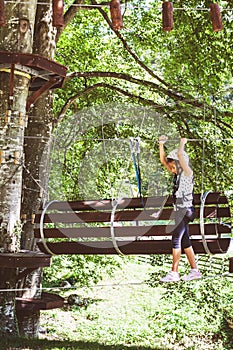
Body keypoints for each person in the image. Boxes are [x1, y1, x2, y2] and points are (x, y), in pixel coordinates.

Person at [158, 135, 201, 282]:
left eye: (173, 166)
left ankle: (174, 272)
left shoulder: (187, 173)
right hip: (180, 211)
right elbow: (163, 160)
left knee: (175, 239)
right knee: (185, 242)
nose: (171, 169)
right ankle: (194, 270)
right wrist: (161, 144)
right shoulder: (177, 175)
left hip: (185, 211)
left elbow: (179, 156)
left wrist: (182, 144)